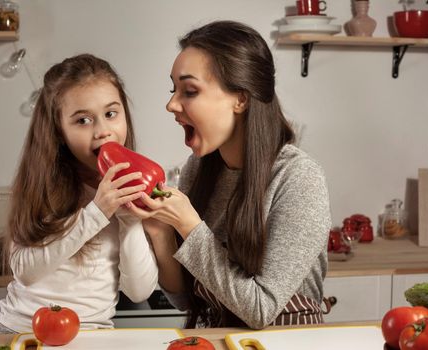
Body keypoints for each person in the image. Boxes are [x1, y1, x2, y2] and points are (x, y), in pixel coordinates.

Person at [128, 20, 331, 329]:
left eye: (190, 91)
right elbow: (185, 298)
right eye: (174, 90)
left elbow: (261, 310)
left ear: (240, 98)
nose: (171, 104)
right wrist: (160, 232)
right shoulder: (199, 168)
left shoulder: (298, 178)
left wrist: (188, 224)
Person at [0, 54, 158, 334]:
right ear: (59, 131)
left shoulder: (131, 184)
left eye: (111, 114)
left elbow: (139, 291)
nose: (103, 131)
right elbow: (25, 271)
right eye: (83, 120)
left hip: (93, 336)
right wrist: (96, 213)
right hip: (23, 331)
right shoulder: (41, 186)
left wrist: (130, 221)